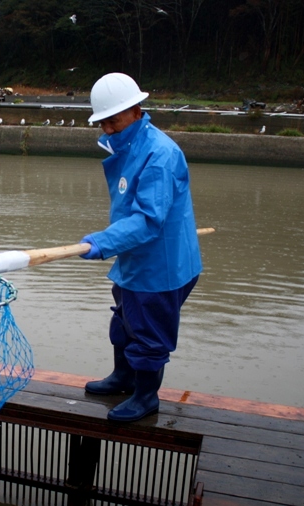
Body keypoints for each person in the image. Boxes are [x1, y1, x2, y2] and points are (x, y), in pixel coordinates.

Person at [79, 72, 202, 422]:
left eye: (113, 120)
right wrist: (112, 243)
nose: (107, 129)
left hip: (160, 267)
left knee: (149, 333)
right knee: (124, 320)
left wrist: (102, 242)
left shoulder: (159, 154)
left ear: (136, 110)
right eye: (102, 122)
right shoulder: (132, 145)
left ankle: (146, 397)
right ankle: (123, 377)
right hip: (133, 258)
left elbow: (149, 218)